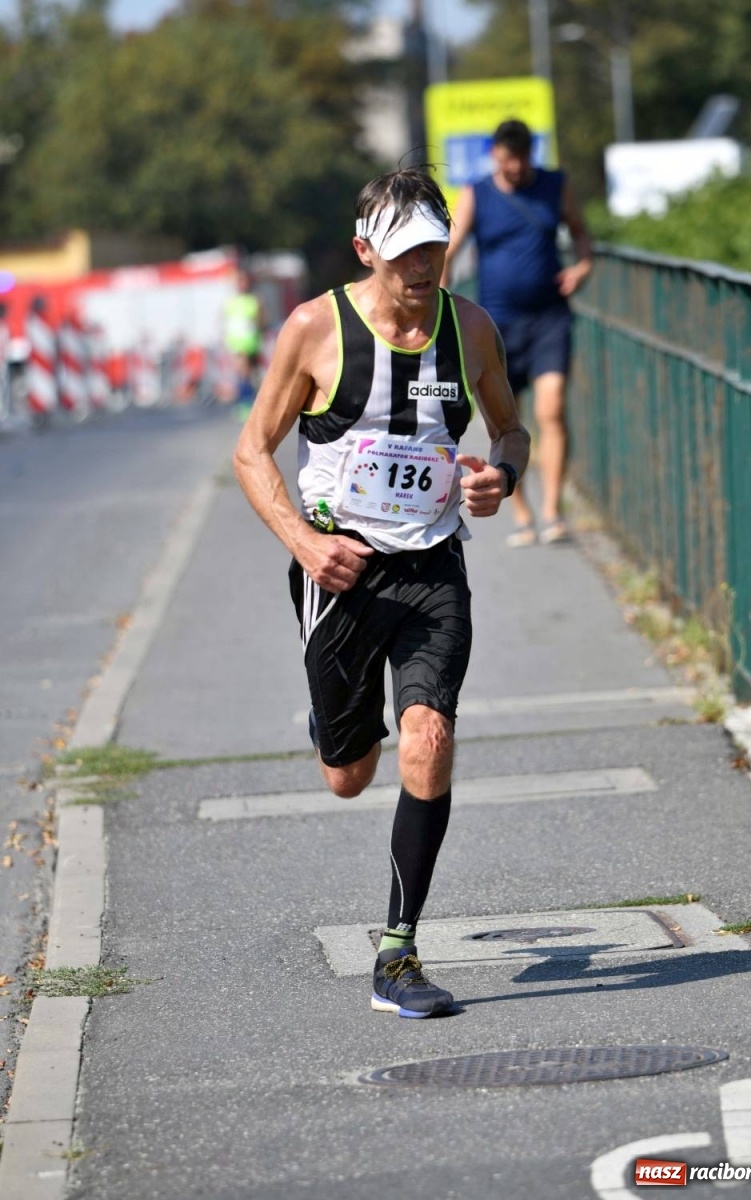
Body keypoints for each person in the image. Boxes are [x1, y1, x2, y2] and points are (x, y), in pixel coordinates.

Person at [234, 167, 530, 1018]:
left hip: (432, 566)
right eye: (404, 252)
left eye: (434, 247)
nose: (421, 266)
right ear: (366, 250)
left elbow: (511, 427)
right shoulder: (313, 330)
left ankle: (398, 952)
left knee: (428, 736)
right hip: (342, 574)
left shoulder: (470, 327)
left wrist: (500, 477)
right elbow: (253, 452)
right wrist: (306, 543)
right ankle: (343, 724)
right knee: (347, 775)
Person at [443, 118, 593, 546]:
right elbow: (449, 252)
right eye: (507, 160)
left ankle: (552, 510)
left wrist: (582, 266)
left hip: (549, 318)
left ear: (531, 154)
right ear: (496, 155)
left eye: (522, 159)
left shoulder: (555, 185)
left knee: (552, 410)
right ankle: (523, 513)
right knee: (508, 424)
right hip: (498, 326)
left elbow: (582, 236)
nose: (514, 168)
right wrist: (439, 308)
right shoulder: (476, 194)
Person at [223, 266, 266, 410]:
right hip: (236, 344)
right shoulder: (231, 301)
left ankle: (254, 401)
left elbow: (262, 321)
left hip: (251, 342)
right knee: (242, 374)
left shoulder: (254, 300)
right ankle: (245, 404)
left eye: (244, 281)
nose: (242, 284)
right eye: (239, 281)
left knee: (251, 375)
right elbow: (226, 321)